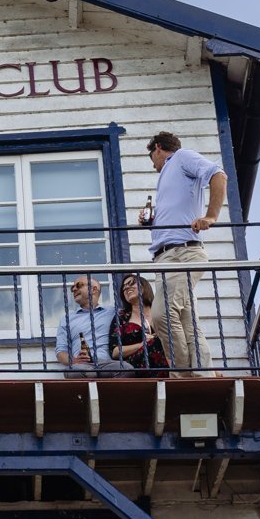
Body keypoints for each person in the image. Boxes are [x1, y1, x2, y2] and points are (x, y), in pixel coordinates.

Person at [143, 131, 225, 376]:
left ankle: (181, 375)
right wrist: (153, 222)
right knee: (188, 320)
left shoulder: (181, 157)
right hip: (166, 257)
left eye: (152, 159)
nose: (154, 167)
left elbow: (218, 175)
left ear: (158, 148)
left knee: (161, 315)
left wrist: (211, 216)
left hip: (182, 254)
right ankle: (203, 372)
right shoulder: (170, 175)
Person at [54, 276, 130, 378]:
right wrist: (74, 360)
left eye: (79, 285)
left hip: (108, 363)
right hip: (82, 365)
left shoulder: (115, 313)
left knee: (127, 369)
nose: (74, 289)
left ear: (94, 289)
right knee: (76, 371)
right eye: (72, 288)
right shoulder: (67, 319)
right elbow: (61, 350)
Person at [110, 274, 169, 373]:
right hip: (136, 363)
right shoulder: (121, 317)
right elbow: (115, 352)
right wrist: (142, 344)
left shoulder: (160, 311)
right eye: (124, 287)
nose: (127, 287)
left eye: (131, 283)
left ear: (144, 286)